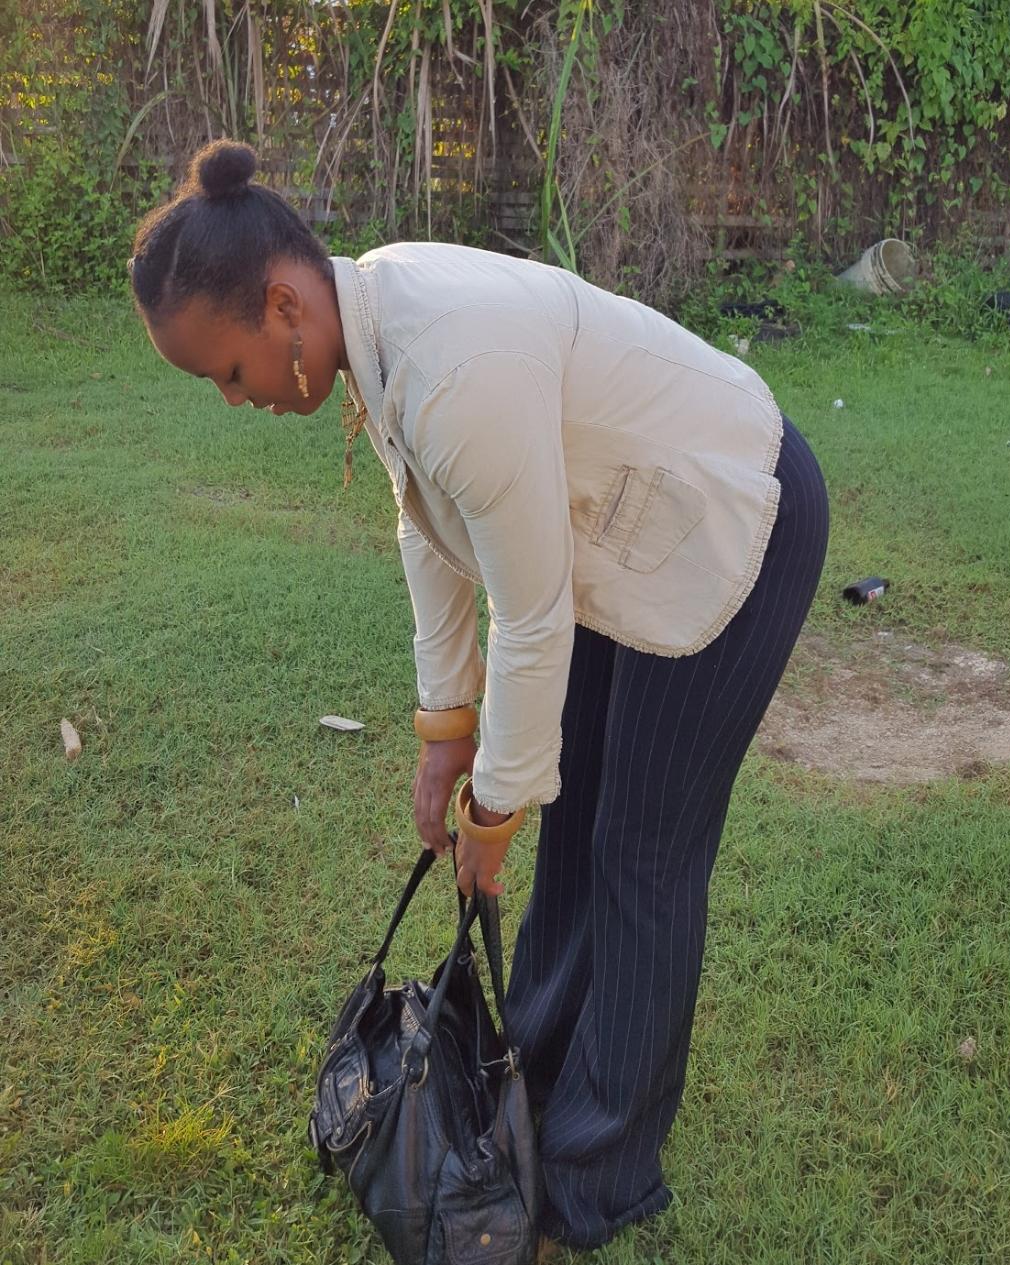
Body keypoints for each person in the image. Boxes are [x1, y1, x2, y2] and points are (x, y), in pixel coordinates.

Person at [130, 139, 829, 1252]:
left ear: (282, 304)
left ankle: (598, 1175)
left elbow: (534, 615)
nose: (235, 399)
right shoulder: (376, 326)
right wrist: (442, 738)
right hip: (618, 531)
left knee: (643, 850)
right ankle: (538, 1080)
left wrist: (496, 809)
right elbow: (432, 530)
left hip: (728, 516)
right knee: (589, 815)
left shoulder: (447, 362)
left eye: (228, 370)